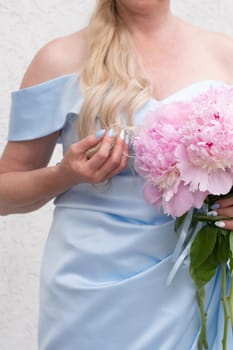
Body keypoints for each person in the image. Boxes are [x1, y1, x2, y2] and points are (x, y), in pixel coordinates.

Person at [1, 0, 233, 349]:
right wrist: (64, 174)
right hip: (91, 297)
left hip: (195, 287)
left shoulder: (224, 54)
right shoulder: (59, 59)